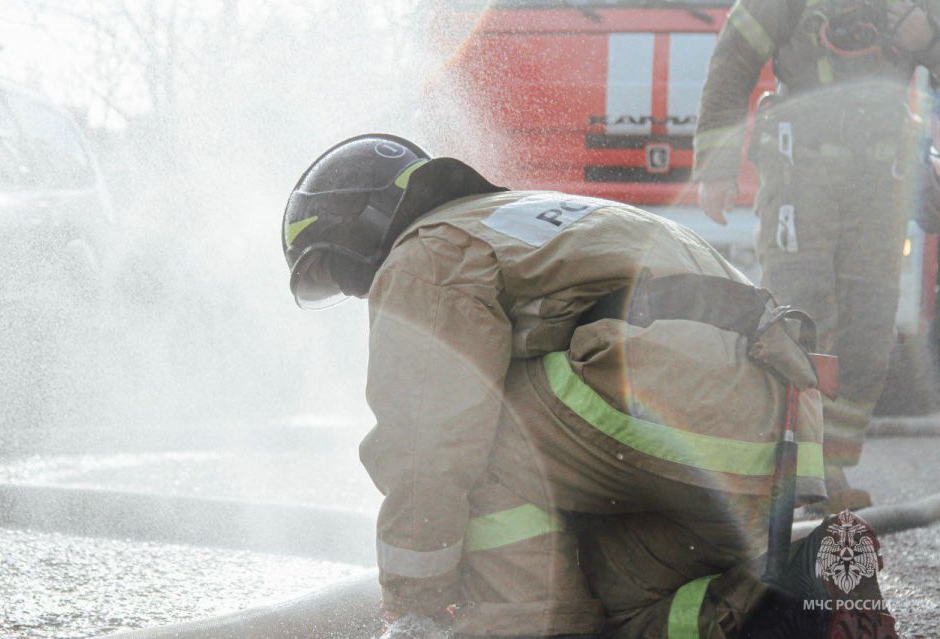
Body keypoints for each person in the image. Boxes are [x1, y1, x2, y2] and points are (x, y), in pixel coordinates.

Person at [282, 134, 899, 638]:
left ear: (363, 226)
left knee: (476, 434)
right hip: (774, 439)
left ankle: (527, 628)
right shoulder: (540, 217)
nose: (354, 288)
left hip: (677, 409)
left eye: (336, 268)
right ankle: (805, 606)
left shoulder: (429, 250)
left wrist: (414, 608)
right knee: (623, 597)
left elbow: (427, 444)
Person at [693, 0, 940, 512]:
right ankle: (792, 472)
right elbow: (733, 59)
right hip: (799, 176)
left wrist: (930, 34)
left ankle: (831, 468)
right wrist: (716, 166)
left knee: (869, 335)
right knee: (801, 321)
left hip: (881, 185)